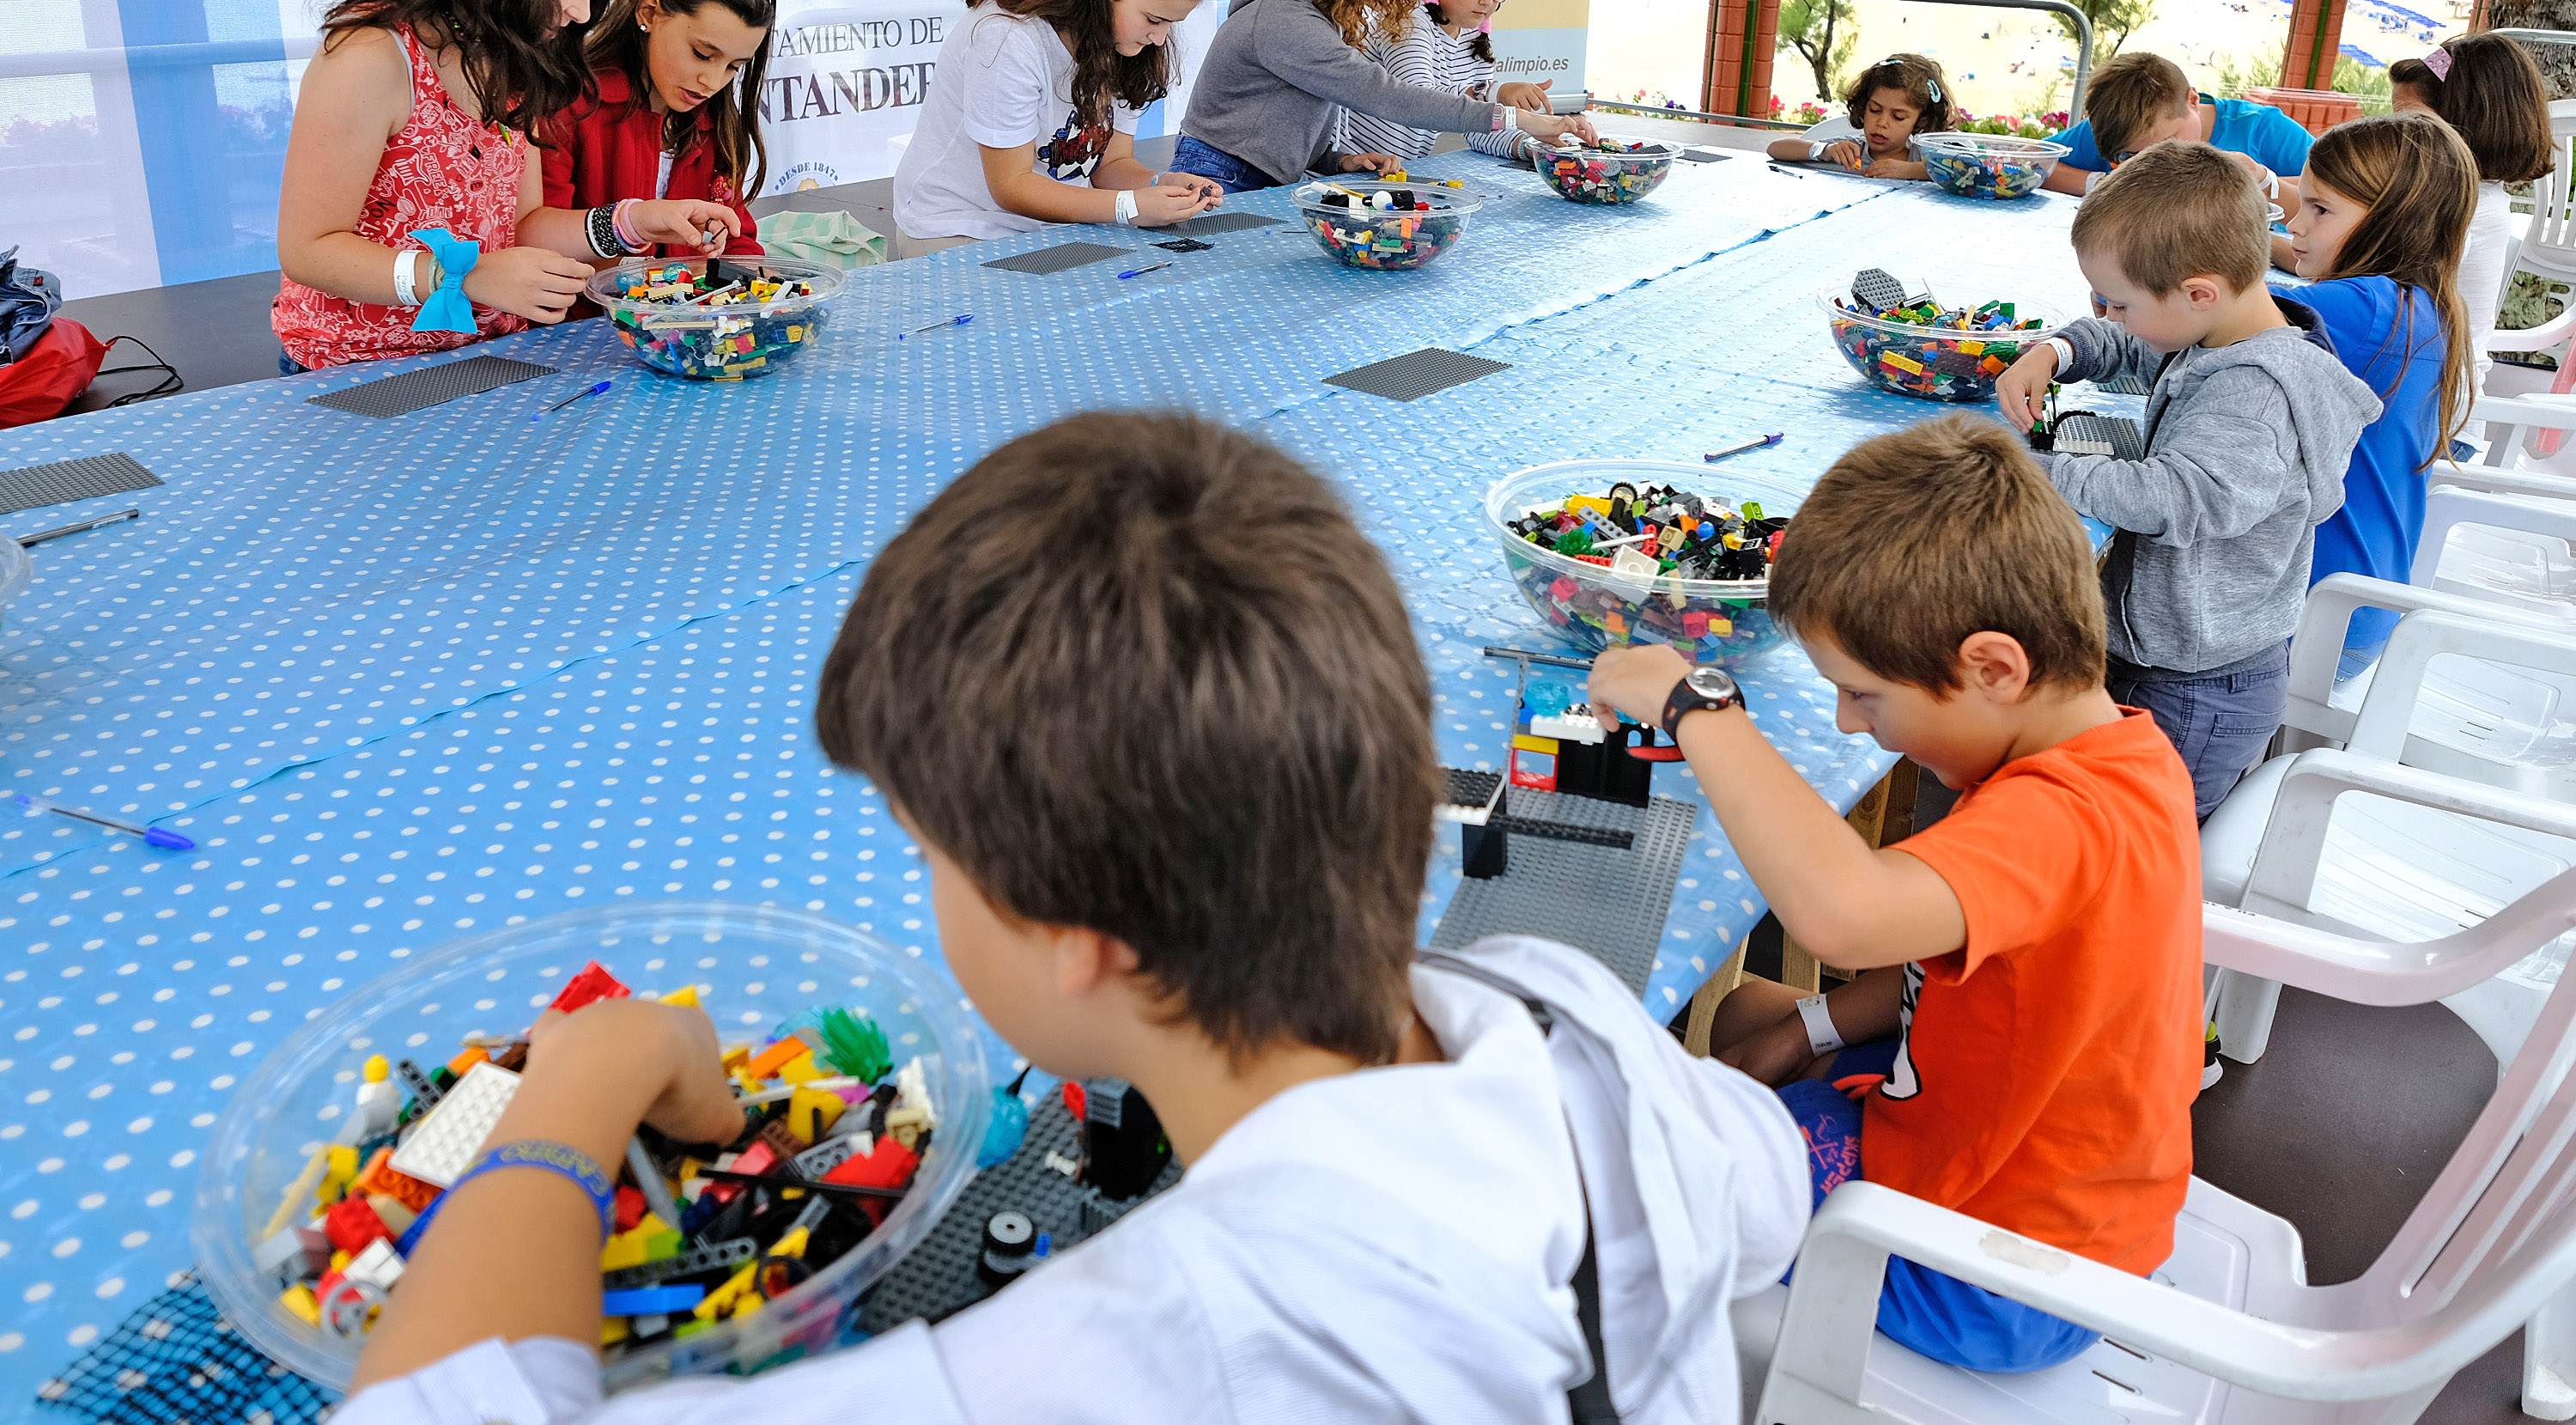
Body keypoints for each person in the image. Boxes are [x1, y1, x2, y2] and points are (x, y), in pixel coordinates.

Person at [327, 410, 1812, 1425]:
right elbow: (1759, 1194)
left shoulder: (1148, 1356)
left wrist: (575, 1095)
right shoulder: (1563, 1008)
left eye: (928, 853)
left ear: (1086, 936)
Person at [1584, 414, 2203, 1374]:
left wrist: (1696, 706)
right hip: (2029, 1164)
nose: (1848, 721)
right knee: (1754, 1013)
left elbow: (1842, 911)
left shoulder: (2064, 819)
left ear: (1993, 667)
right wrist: (1815, 1027)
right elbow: (1961, 972)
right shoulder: (2119, 752)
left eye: (1864, 695)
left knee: (1628, 1166)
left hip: (1999, 1274)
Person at [1995, 143, 2381, 819]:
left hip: (2196, 691)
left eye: (2116, 303)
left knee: (2137, 845)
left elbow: (2176, 497)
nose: (2110, 316)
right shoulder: (2216, 332)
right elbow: (2132, 344)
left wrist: (2039, 473)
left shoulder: (2255, 393)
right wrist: (2057, 350)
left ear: (2198, 292)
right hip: (2169, 658)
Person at [272, 0, 740, 372]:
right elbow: (309, 249)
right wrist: (464, 279)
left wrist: (635, 222)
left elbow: (526, 224)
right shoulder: (370, 58)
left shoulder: (515, 54)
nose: (584, 13)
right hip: (356, 366)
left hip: (490, 355)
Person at [1175, 0, 1595, 191]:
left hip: (1263, 174)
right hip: (1221, 172)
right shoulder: (1288, 18)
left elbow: (1284, 117)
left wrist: (1336, 161)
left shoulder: (1329, 12)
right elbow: (1389, 96)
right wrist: (1515, 117)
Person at [892, 0, 1224, 258]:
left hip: (1054, 228)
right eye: (1153, 19)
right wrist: (1129, 207)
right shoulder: (1008, 37)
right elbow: (1012, 185)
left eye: (1171, 24)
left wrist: (1159, 184)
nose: (1160, 39)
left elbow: (1110, 165)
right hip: (959, 225)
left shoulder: (1126, 45)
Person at [2280, 114, 2480, 654]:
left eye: (2319, 210)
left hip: (2317, 621)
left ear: (2395, 219)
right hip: (2367, 608)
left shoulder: (2361, 309)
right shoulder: (2420, 304)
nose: (2294, 226)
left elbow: (2201, 313)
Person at [544, 0, 776, 270]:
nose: (711, 82)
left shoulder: (713, 123)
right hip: (584, 320)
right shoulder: (568, 104)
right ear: (650, 12)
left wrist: (759, 281)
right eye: (701, 54)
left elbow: (736, 240)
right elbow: (535, 237)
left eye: (733, 67)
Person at [2389, 35, 2555, 387]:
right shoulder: (2468, 194)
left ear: (2466, 126)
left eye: (2414, 124)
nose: (2398, 136)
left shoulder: (2461, 206)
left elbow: (2345, 261)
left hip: (2431, 422)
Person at [1334, 0, 1557, 166]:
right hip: (1345, 171)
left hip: (1390, 174)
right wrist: (1496, 93)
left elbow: (1477, 126)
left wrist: (1543, 148)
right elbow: (1421, 101)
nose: (1488, 0)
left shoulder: (1475, 34)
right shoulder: (1406, 19)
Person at [2040, 52, 2308, 218]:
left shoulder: (2263, 130)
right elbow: (2028, 161)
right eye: (2130, 156)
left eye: (2169, 143)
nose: (2156, 160)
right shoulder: (2117, 127)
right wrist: (2102, 184)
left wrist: (2260, 182)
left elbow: (2343, 192)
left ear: (2193, 100)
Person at [1763, 53, 1953, 180]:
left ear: (1921, 121)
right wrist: (1825, 150)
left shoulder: (1925, 157)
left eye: (1898, 117)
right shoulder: (1850, 151)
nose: (1882, 123)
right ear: (1863, 106)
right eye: (1875, 110)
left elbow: (1968, 171)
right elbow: (1776, 149)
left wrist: (1913, 171)